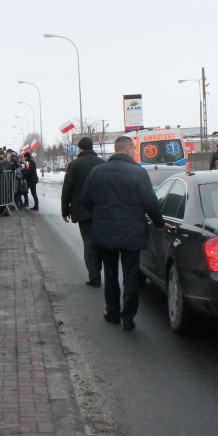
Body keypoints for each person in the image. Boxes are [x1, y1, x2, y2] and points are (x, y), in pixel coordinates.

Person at [80, 136, 164, 331]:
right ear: (127, 150)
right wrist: (159, 224)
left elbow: (85, 200)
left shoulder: (97, 172)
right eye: (133, 149)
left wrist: (101, 211)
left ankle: (112, 312)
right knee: (131, 275)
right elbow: (150, 203)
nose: (134, 153)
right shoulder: (138, 173)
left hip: (105, 231)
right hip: (131, 232)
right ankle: (128, 318)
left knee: (110, 274)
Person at [61, 137, 104, 287]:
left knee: (89, 242)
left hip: (82, 211)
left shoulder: (74, 165)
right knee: (99, 242)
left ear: (79, 148)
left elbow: (67, 189)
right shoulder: (102, 164)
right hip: (101, 210)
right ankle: (98, 270)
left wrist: (64, 210)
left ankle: (94, 276)